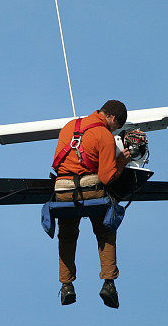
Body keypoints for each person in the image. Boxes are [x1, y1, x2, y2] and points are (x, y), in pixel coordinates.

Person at [51, 100, 130, 308]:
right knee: (106, 230)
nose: (114, 130)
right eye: (117, 127)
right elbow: (106, 177)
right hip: (90, 191)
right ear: (113, 118)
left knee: (67, 235)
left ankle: (67, 286)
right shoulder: (104, 135)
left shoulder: (70, 126)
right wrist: (121, 161)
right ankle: (109, 284)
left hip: (63, 191)